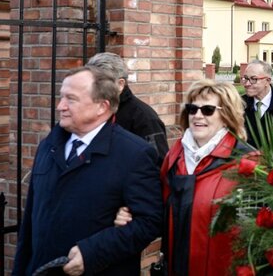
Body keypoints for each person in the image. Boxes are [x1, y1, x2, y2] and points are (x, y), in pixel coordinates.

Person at [13, 66, 162, 276]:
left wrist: (93, 252)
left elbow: (149, 222)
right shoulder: (48, 145)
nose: (60, 106)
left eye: (71, 99)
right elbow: (30, 222)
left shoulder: (134, 154)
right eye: (61, 97)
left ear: (102, 106)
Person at [158, 80, 254, 276]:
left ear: (226, 115)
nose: (198, 116)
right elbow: (160, 206)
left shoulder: (246, 162)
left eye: (208, 110)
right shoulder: (174, 157)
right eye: (192, 109)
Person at [86, 52, 169, 164]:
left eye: (101, 83)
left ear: (120, 84)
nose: (95, 89)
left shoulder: (144, 118)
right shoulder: (92, 109)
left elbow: (158, 164)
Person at [242, 60, 273, 145]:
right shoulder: (239, 103)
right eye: (245, 78)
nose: (247, 83)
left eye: (253, 79)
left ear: (267, 81)